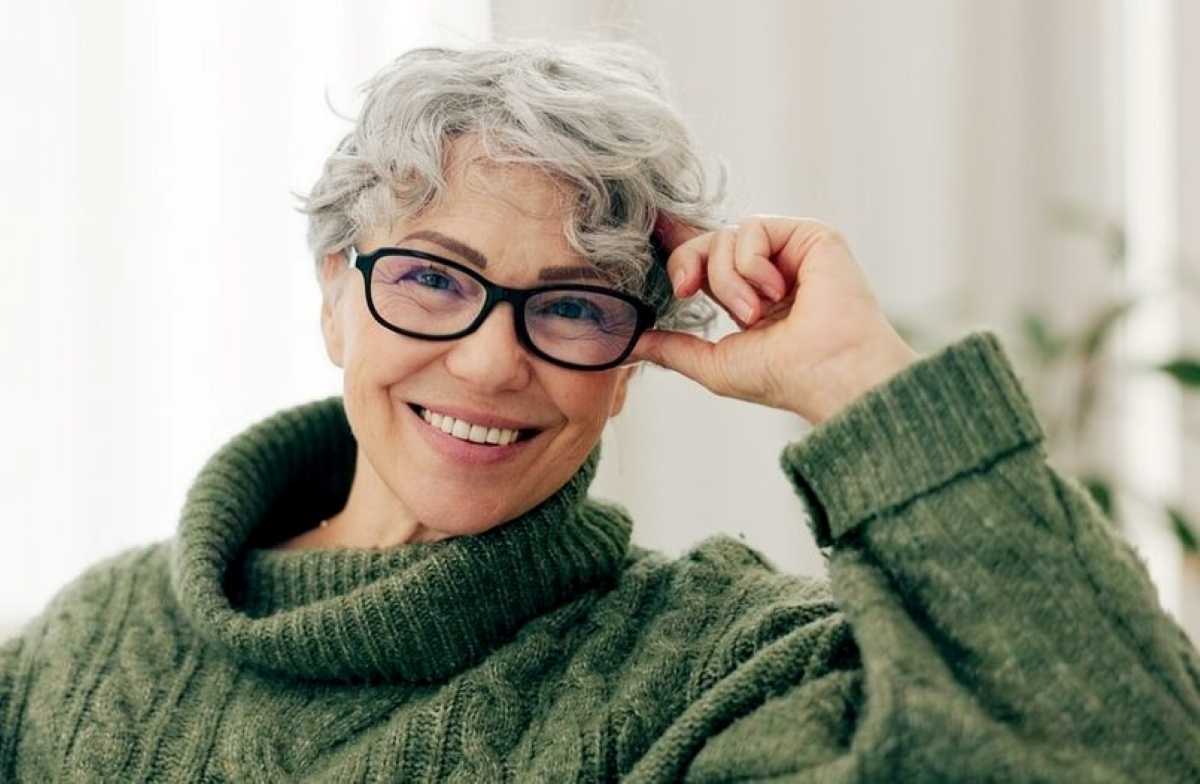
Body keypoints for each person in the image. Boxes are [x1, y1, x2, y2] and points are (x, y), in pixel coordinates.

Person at [1, 38, 1198, 783]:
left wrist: (859, 381)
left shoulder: (714, 673)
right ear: (335, 296)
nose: (488, 364)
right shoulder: (87, 650)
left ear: (631, 362)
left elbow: (1135, 751)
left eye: (572, 306)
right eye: (433, 278)